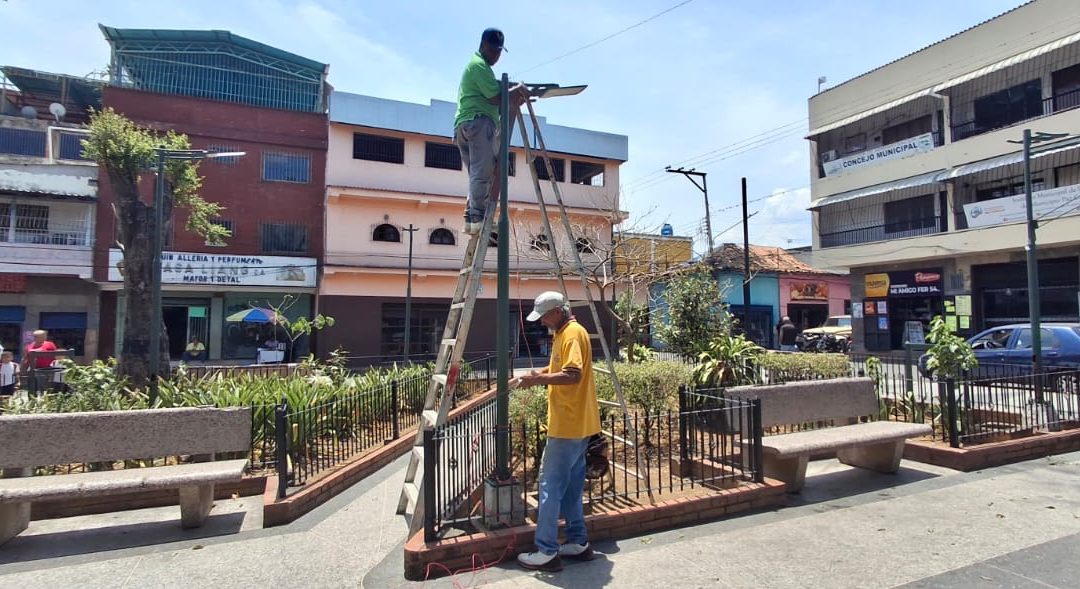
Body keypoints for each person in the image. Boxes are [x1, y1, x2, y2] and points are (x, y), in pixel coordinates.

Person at [513, 291, 601, 572]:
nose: (542, 322)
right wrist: (537, 375)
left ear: (557, 311)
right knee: (573, 488)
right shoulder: (564, 333)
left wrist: (535, 383)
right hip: (579, 424)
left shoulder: (572, 333)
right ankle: (578, 542)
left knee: (549, 486)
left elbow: (572, 375)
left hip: (567, 425)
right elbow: (559, 368)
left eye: (544, 316)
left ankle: (547, 551)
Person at [454, 28, 527, 235]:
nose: (497, 55)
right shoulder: (479, 66)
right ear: (483, 45)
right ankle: (478, 217)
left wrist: (509, 90)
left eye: (499, 51)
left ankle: (472, 218)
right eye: (494, 50)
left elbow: (496, 92)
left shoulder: (479, 67)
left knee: (479, 172)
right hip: (478, 123)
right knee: (483, 171)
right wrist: (517, 90)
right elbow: (495, 98)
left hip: (466, 124)